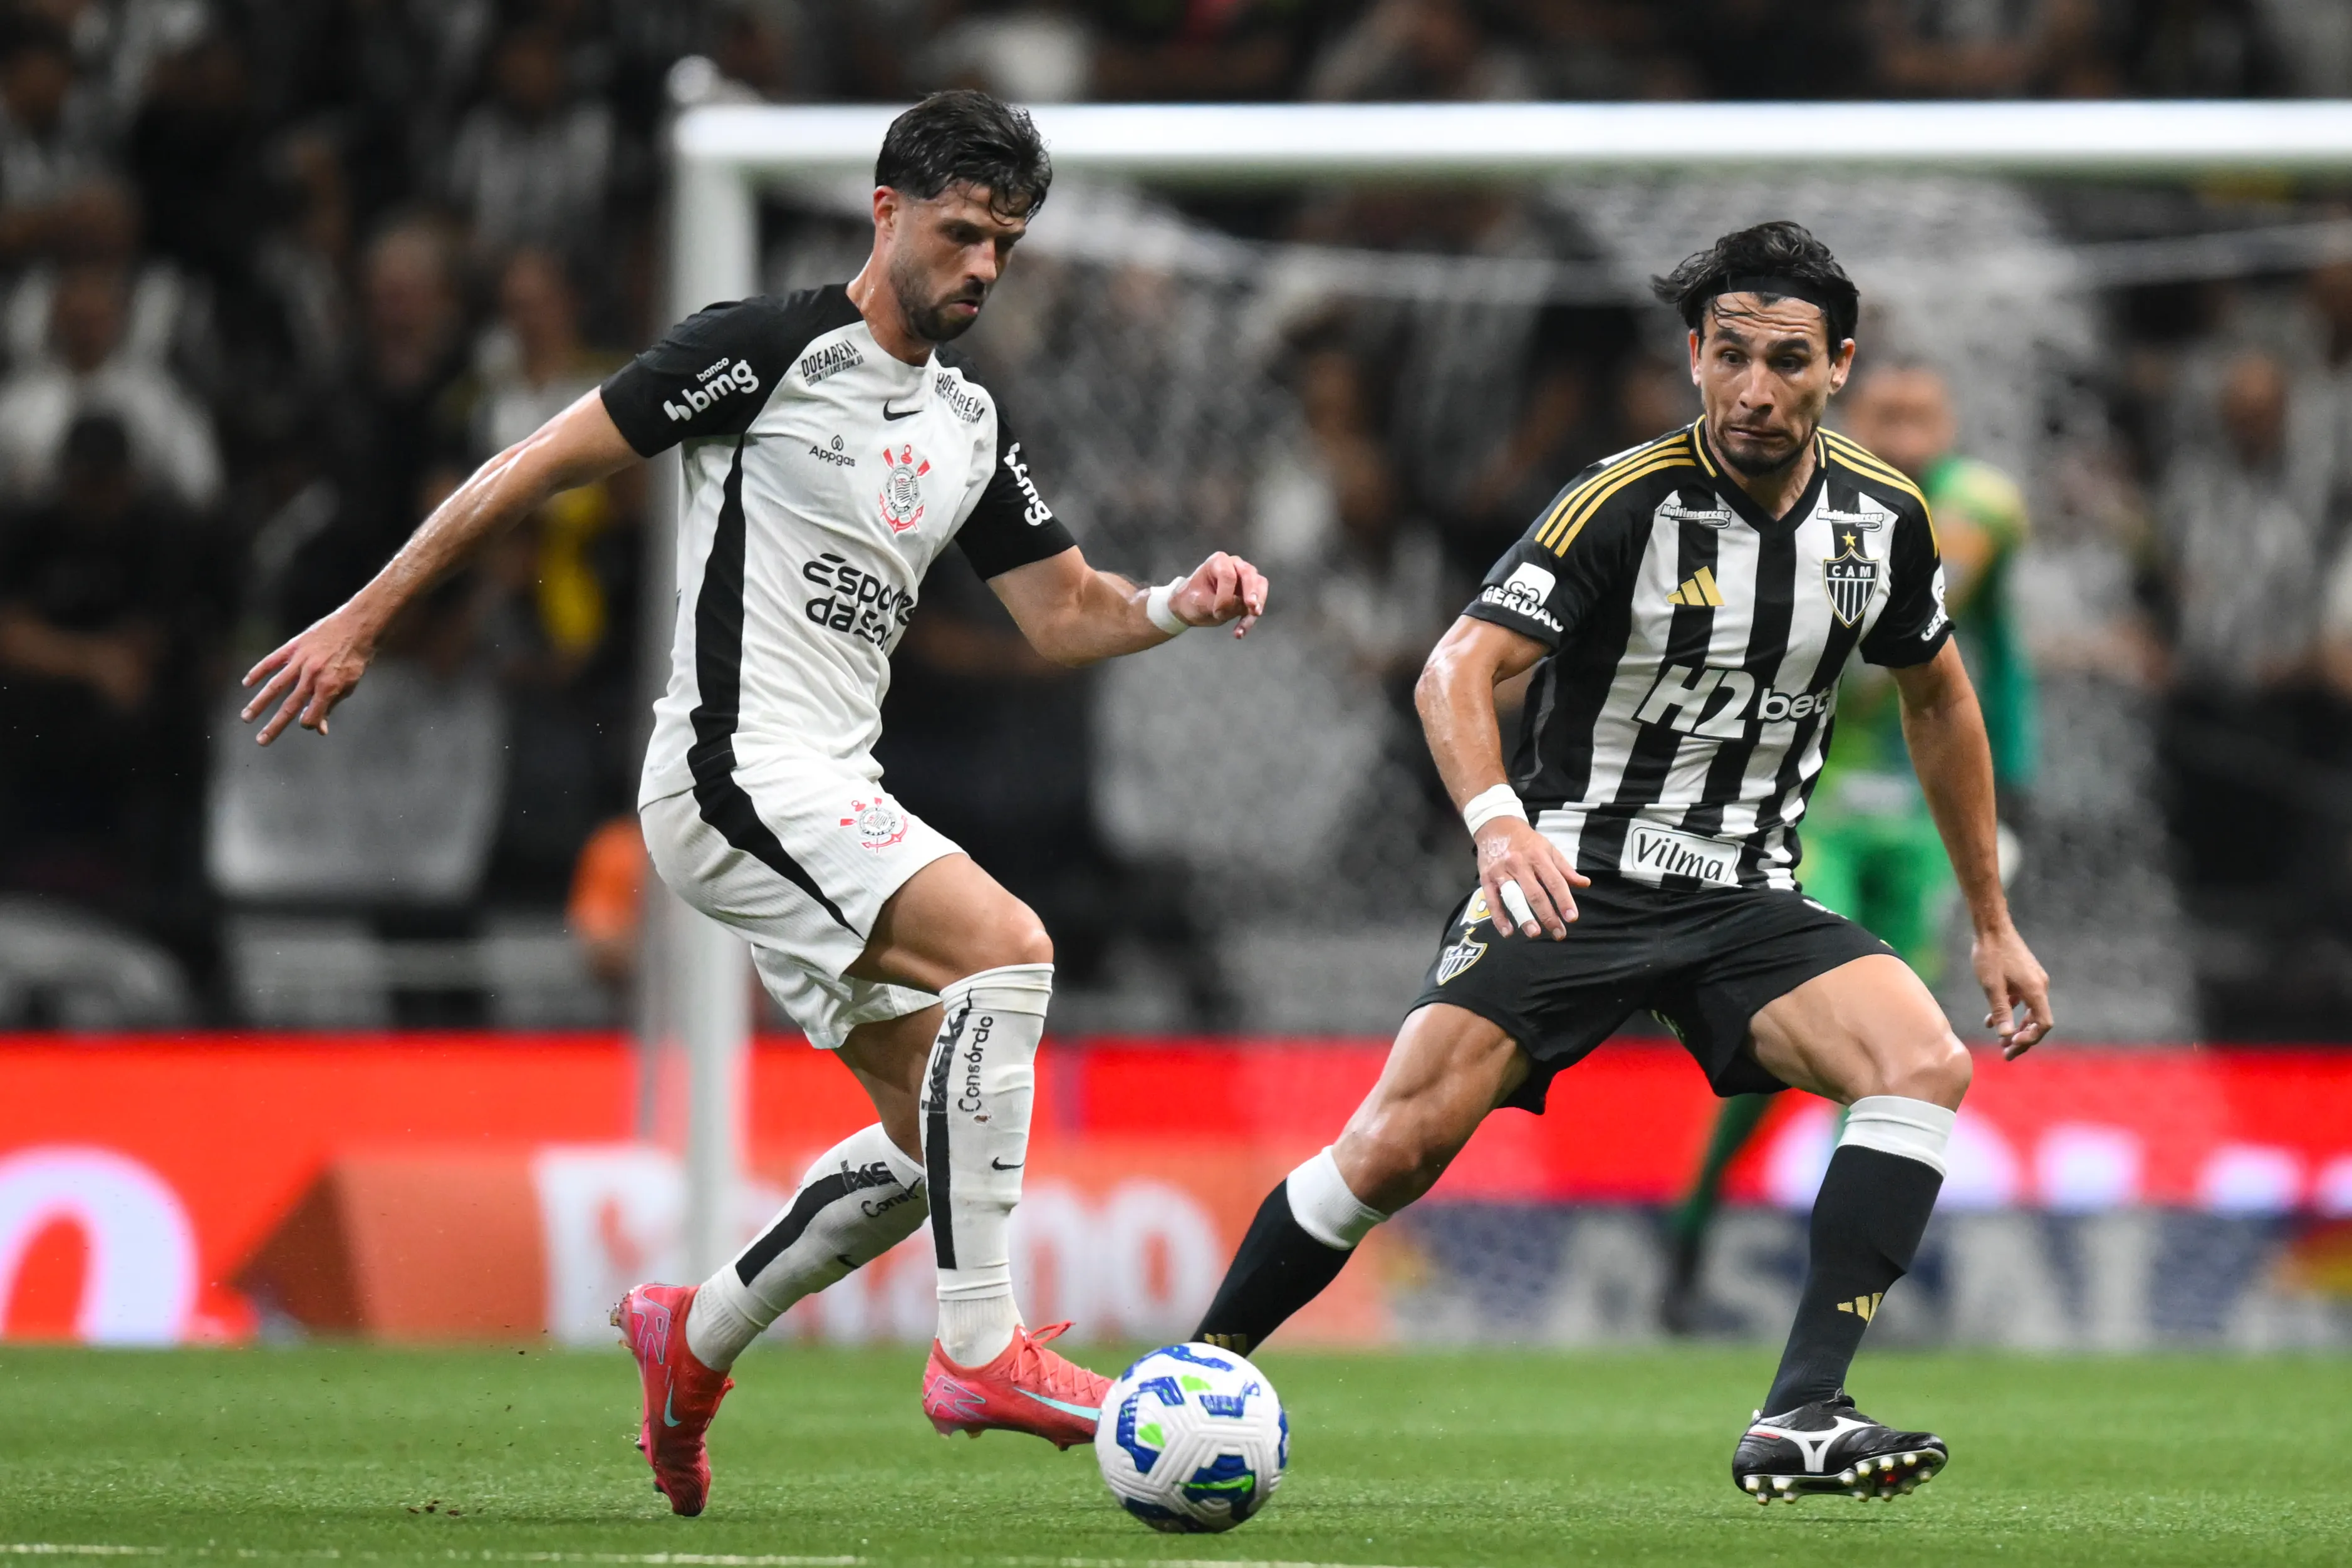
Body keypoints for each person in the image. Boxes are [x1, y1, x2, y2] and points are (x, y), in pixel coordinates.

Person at [239, 91, 1269, 1515]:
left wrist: (1175, 600)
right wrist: (363, 615)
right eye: (961, 233)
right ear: (885, 211)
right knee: (1012, 952)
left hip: (824, 790)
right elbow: (534, 465)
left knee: (941, 1143)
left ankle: (694, 1335)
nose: (981, 267)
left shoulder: (968, 422)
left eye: (1006, 247)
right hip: (730, 773)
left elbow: (1064, 614)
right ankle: (978, 1348)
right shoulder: (762, 351)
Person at [1187, 221, 2052, 1504]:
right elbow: (1456, 668)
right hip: (1571, 875)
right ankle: (1197, 1371)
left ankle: (1801, 1410)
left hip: (1744, 891)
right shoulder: (1621, 504)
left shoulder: (1883, 519)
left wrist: (1988, 919)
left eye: (1786, 362)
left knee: (1919, 1061)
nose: (1752, 389)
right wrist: (1494, 821)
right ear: (1693, 355)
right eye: (1728, 356)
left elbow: (1939, 700)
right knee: (1394, 1147)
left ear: (1838, 367)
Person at [1660, 360, 2038, 1332]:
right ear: (1850, 416)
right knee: (1799, 1012)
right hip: (1814, 805)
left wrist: (2016, 786)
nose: (1908, 436)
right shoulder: (1820, 503)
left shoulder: (1975, 506)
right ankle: (1696, 1220)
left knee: (1894, 1031)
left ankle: (1844, 1280)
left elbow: (1943, 640)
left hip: (1920, 814)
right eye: (1889, 417)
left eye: (1926, 416)